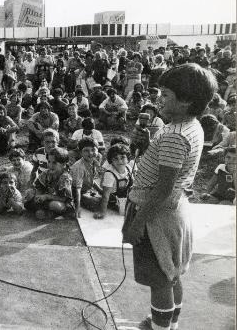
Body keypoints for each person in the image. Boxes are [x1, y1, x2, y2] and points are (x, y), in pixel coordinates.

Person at [122, 63, 217, 330]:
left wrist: (138, 223)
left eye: (165, 95)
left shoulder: (175, 136)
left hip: (157, 215)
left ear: (186, 101)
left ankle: (159, 327)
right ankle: (167, 323)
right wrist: (150, 142)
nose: (158, 99)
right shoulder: (189, 126)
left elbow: (162, 188)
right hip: (174, 210)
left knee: (159, 279)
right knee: (171, 273)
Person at [25, 147, 75, 219]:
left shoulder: (65, 177)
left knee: (55, 205)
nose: (50, 165)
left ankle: (49, 213)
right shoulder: (45, 173)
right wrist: (38, 196)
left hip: (60, 202)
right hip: (46, 199)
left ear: (63, 164)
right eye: (49, 162)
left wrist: (46, 196)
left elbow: (65, 198)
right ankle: (44, 210)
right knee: (29, 194)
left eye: (54, 163)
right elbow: (39, 187)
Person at [93, 143, 133, 219]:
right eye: (116, 158)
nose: (119, 161)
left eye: (122, 157)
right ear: (111, 161)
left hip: (125, 196)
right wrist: (102, 212)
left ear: (128, 159)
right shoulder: (110, 174)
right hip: (112, 198)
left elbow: (132, 185)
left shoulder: (128, 168)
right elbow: (106, 195)